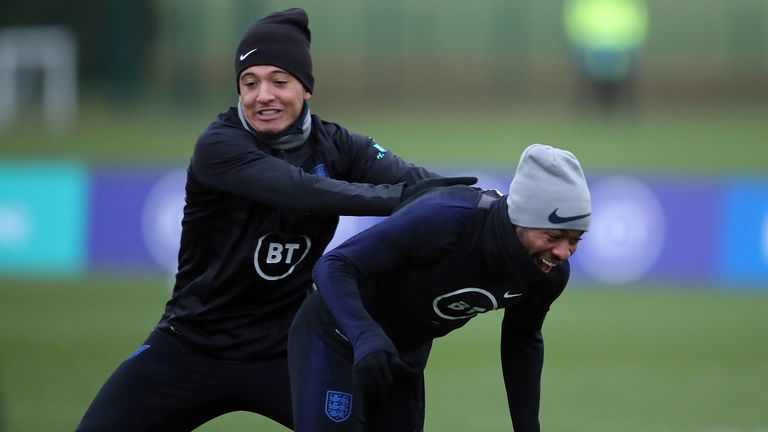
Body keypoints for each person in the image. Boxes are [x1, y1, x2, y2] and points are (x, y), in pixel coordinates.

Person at [76, 8, 475, 431]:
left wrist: (489, 204)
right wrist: (402, 199)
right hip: (190, 346)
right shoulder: (218, 145)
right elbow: (301, 190)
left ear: (306, 89)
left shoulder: (339, 145)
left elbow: (419, 181)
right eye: (250, 83)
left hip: (289, 349)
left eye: (279, 82)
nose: (262, 94)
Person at [288, 144, 592, 432]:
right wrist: (364, 334)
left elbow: (522, 343)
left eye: (575, 240)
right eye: (553, 237)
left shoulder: (547, 273)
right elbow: (333, 266)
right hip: (336, 336)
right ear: (521, 219)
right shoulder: (448, 217)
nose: (563, 253)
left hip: (400, 354)